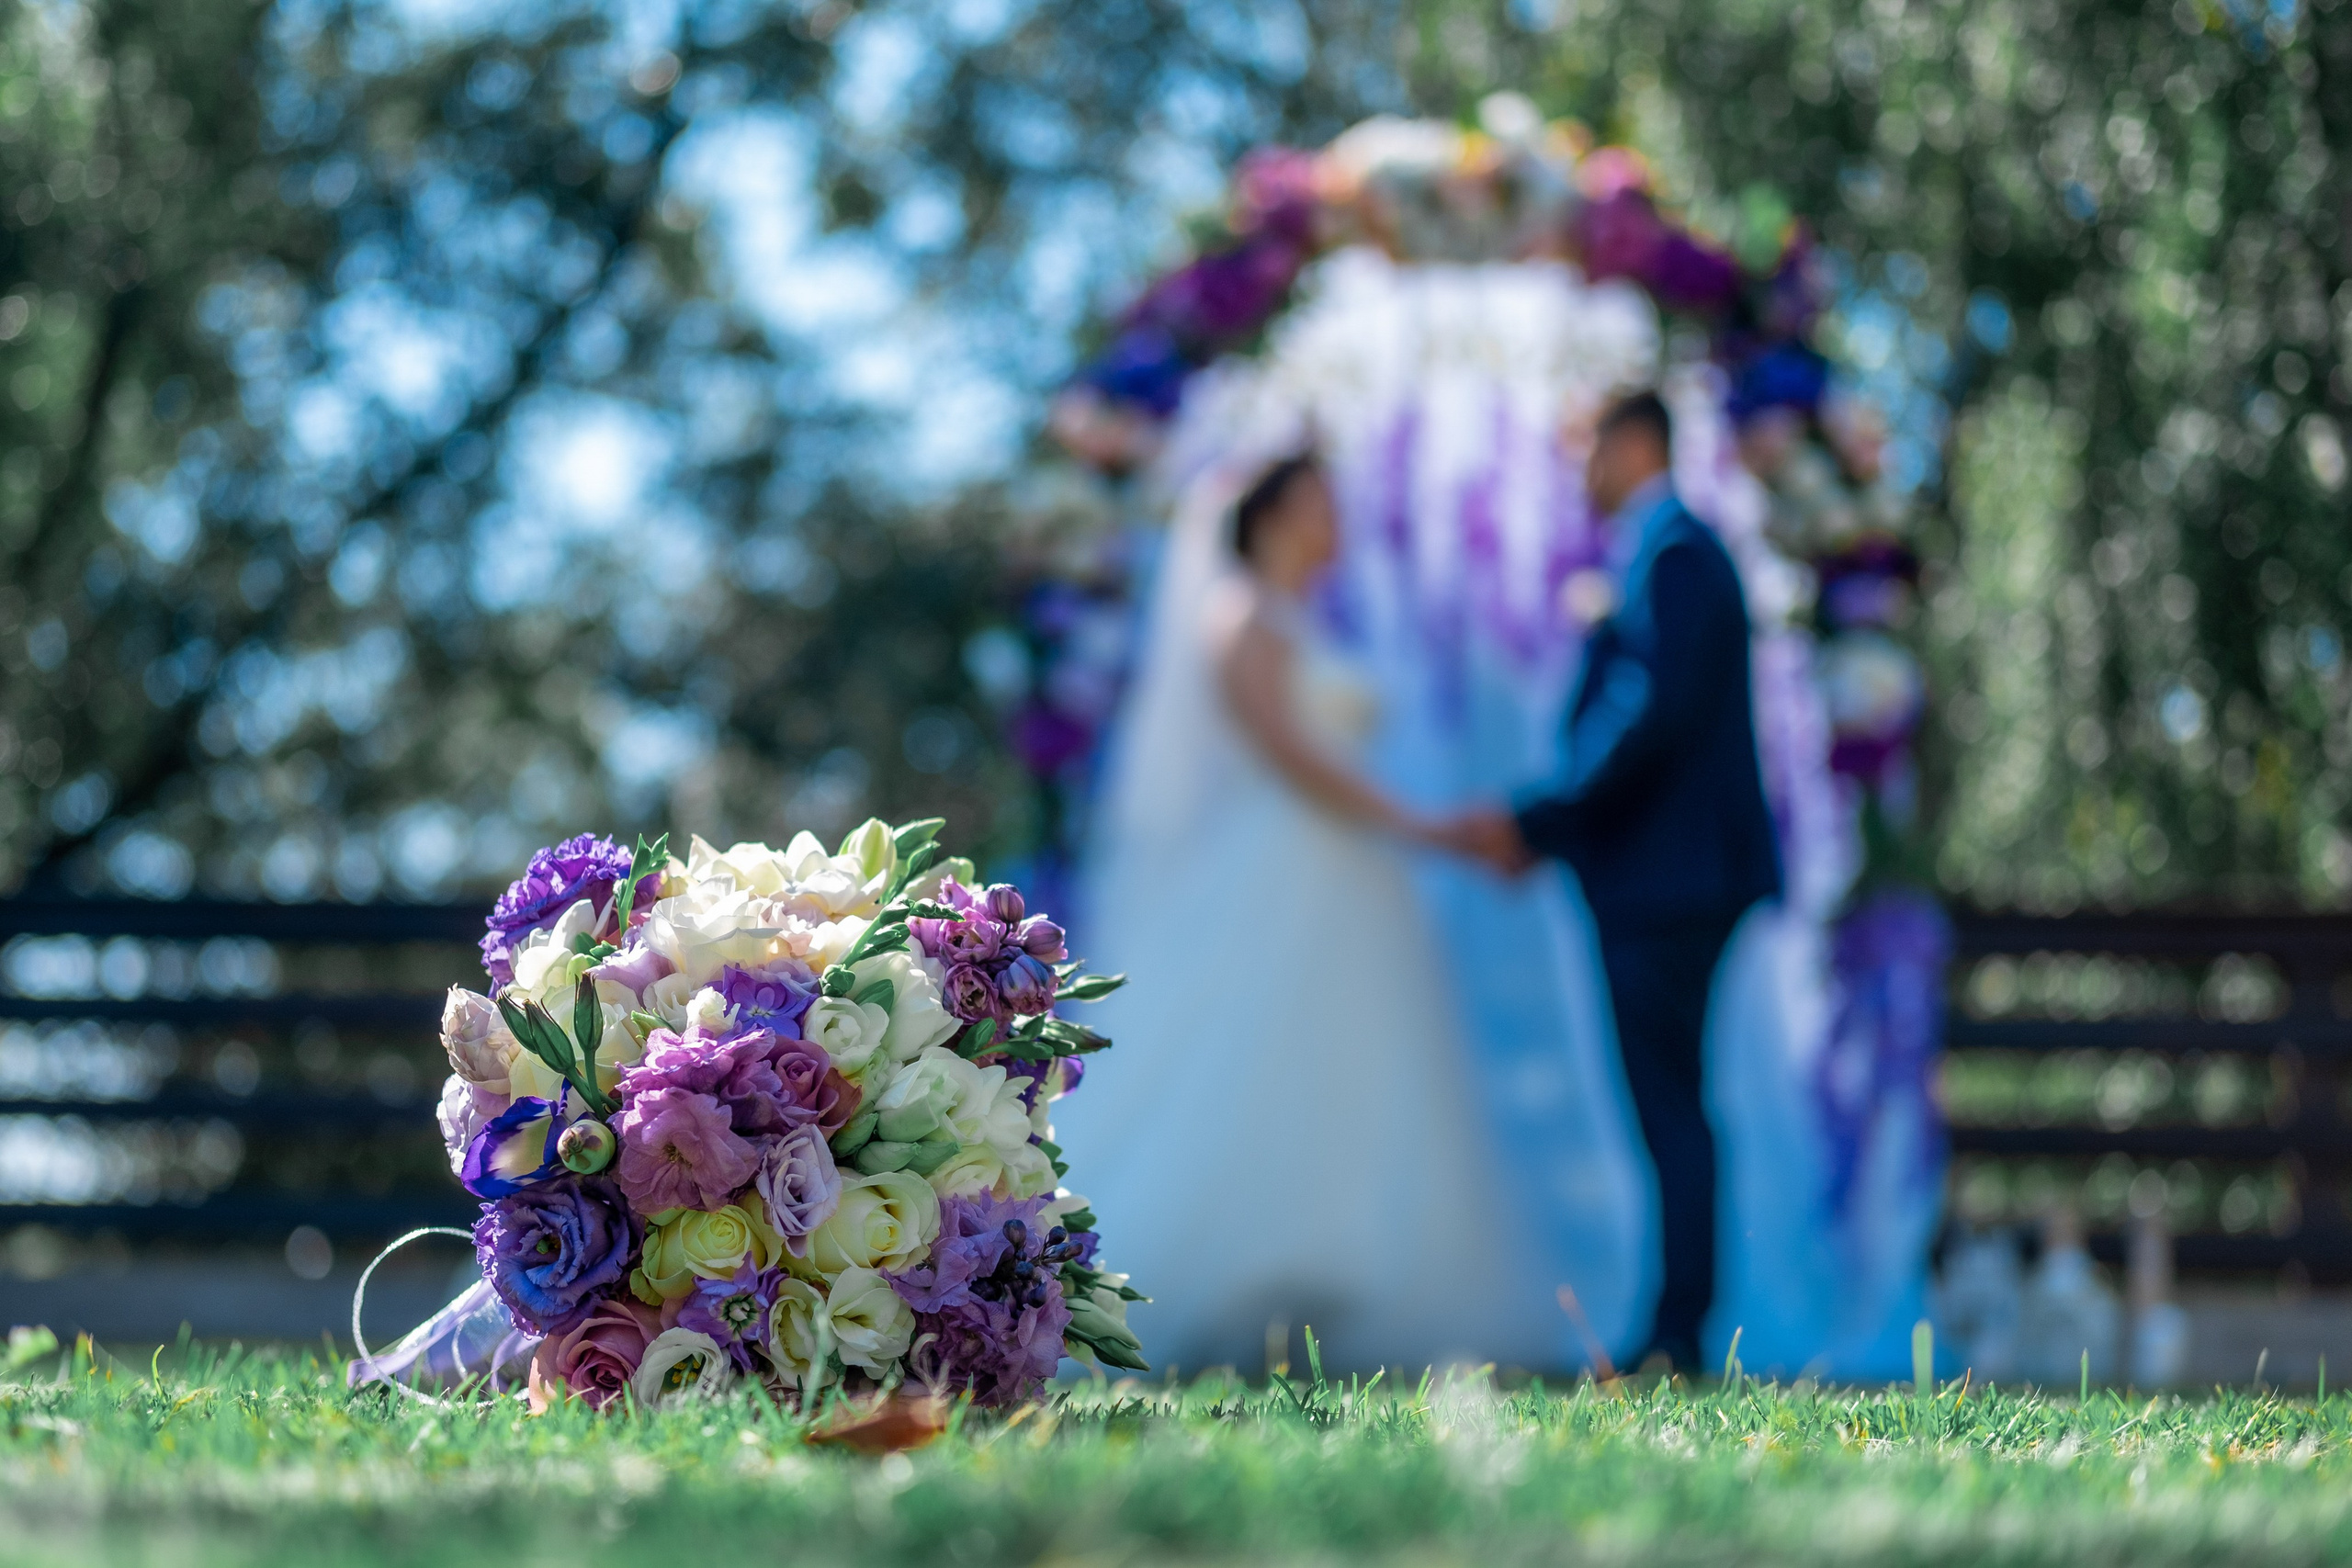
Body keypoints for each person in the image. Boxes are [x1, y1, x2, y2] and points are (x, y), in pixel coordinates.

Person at [1056, 453, 1565, 1374]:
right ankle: (1214, 1279)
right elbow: (1298, 762)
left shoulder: (1295, 621)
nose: (1342, 522)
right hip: (1284, 871)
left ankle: (1328, 1285)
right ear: (1280, 514)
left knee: (1345, 1081)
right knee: (1249, 1068)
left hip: (1349, 879)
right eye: (1325, 503)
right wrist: (1429, 829)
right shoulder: (1243, 619)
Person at [1452, 390, 1781, 1372]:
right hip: (1664, 880)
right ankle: (1674, 1326)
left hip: (1669, 884)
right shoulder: (1665, 552)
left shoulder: (1673, 553)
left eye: (1588, 445)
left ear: (1634, 442)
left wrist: (1537, 819)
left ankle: (1677, 1336)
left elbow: (1649, 716)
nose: (1578, 468)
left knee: (1669, 1105)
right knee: (1668, 1104)